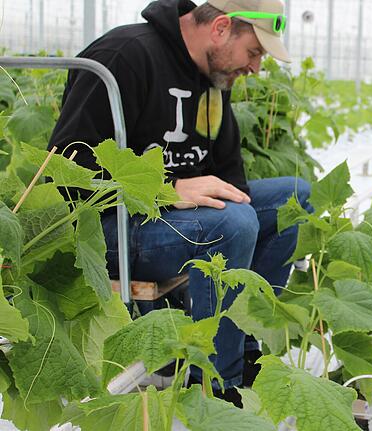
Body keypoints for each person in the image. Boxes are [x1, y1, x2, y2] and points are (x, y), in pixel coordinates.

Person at [48, 0, 311, 407]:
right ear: (221, 28)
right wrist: (169, 188)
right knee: (234, 224)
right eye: (255, 52)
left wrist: (208, 196)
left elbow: (230, 174)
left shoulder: (213, 78)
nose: (255, 67)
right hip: (111, 227)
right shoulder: (125, 56)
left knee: (294, 196)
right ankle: (215, 384)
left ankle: (240, 341)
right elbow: (65, 170)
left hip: (176, 221)